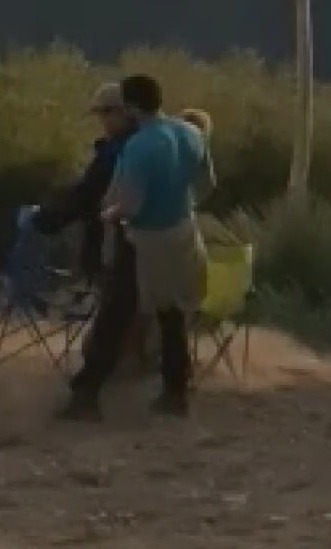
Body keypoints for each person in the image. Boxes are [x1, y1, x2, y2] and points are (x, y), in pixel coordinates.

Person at [21, 81, 139, 421]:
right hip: (154, 241)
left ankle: (90, 395)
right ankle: (150, 385)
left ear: (122, 112)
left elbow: (88, 194)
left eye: (105, 113)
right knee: (134, 316)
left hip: (116, 241)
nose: (101, 121)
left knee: (113, 315)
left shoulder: (118, 151)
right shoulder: (158, 141)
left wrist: (48, 219)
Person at [101, 74, 217, 417]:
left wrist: (108, 214)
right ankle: (174, 388)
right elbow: (208, 184)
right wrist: (183, 204)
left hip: (150, 236)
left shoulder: (141, 145)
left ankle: (167, 391)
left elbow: (131, 206)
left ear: (131, 106)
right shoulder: (191, 133)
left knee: (141, 312)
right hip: (186, 229)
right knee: (175, 313)